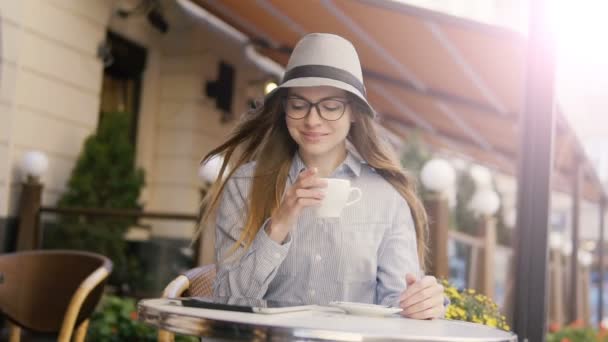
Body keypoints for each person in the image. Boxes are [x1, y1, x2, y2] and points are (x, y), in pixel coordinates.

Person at [199, 33, 446, 319]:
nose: (312, 120)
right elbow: (226, 301)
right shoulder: (245, 185)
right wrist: (277, 226)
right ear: (284, 109)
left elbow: (397, 305)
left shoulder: (387, 198)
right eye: (299, 104)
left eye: (330, 106)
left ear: (353, 112)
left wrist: (421, 303)